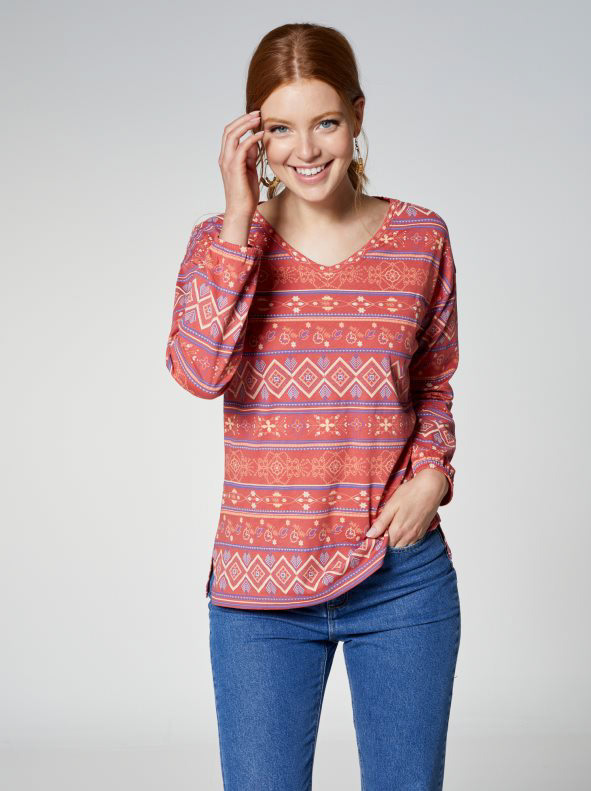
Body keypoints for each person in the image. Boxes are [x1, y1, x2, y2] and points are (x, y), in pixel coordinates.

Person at [165, 22, 461, 791]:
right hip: (259, 590)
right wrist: (238, 218)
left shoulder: (420, 238)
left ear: (356, 115)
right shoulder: (218, 243)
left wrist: (432, 473)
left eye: (324, 122)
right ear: (252, 137)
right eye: (279, 129)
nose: (304, 149)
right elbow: (198, 371)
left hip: (398, 577)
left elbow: (433, 381)